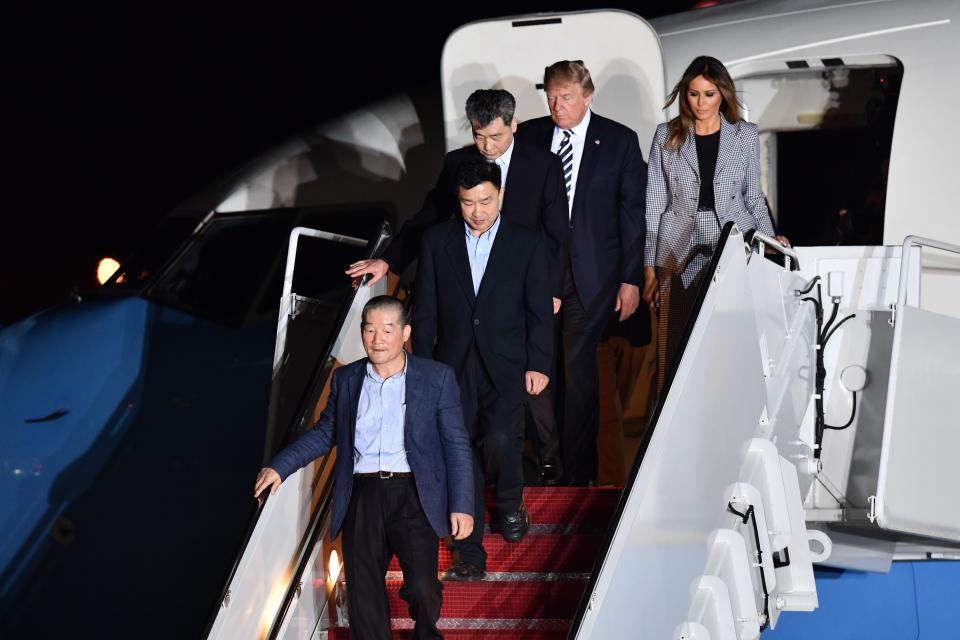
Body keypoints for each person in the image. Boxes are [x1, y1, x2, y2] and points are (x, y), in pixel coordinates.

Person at [346, 88, 568, 484]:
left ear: (513, 125)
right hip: (475, 293)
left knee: (534, 391)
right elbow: (429, 217)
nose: (486, 146)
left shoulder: (542, 164)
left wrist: (551, 288)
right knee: (474, 410)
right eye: (479, 136)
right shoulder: (458, 163)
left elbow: (555, 232)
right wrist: (389, 259)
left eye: (495, 137)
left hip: (524, 287)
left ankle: (550, 460)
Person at [253, 295, 474, 640]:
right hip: (363, 493)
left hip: (414, 494)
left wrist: (461, 505)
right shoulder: (347, 379)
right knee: (364, 593)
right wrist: (280, 466)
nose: (377, 338)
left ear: (405, 333)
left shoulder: (436, 378)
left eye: (387, 330)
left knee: (421, 588)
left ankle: (426, 635)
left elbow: (457, 444)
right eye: (369, 330)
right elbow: (326, 433)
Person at [411, 159, 553, 580]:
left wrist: (539, 363)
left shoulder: (526, 243)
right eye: (468, 202)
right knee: (460, 451)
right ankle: (469, 554)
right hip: (450, 367)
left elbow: (539, 311)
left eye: (486, 201)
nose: (477, 211)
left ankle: (510, 503)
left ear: (501, 195)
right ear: (458, 200)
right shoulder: (437, 241)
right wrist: (421, 369)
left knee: (498, 439)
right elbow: (426, 312)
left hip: (506, 364)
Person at [516, 60, 647, 485]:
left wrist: (630, 280)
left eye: (566, 97)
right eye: (551, 97)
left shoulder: (619, 142)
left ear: (588, 96)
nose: (557, 105)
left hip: (592, 279)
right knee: (540, 372)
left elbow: (632, 215)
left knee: (579, 376)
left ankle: (579, 478)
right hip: (540, 276)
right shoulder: (531, 137)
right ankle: (549, 468)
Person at [643, 56, 787, 390]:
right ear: (685, 95)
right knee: (675, 340)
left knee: (731, 332)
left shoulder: (745, 135)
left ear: (722, 94)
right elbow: (654, 202)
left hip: (735, 238)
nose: (701, 102)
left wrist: (770, 241)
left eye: (709, 94)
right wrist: (649, 269)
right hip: (677, 246)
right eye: (694, 94)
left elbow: (754, 197)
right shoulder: (667, 135)